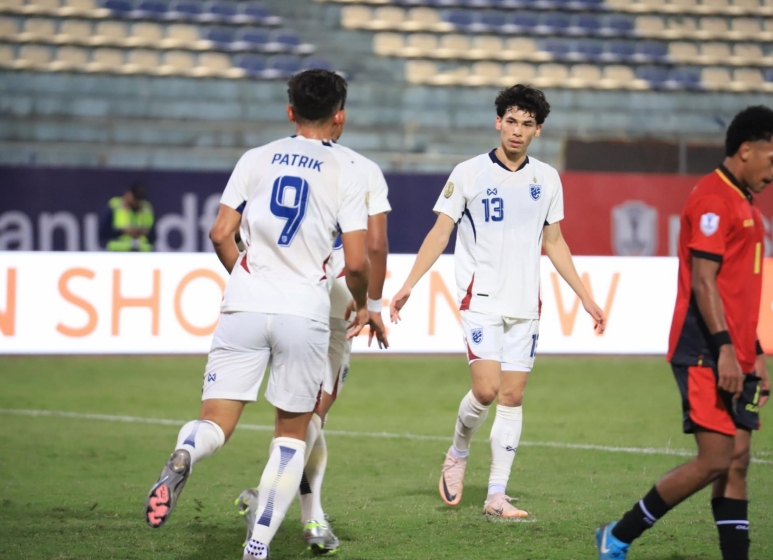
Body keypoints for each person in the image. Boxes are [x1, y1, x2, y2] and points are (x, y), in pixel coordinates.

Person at [143, 69, 381, 560]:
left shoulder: (256, 158)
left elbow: (219, 232)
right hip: (305, 311)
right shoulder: (348, 173)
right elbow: (358, 260)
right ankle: (257, 546)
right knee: (292, 435)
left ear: (290, 111)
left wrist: (246, 278)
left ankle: (187, 450)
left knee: (215, 421)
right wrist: (360, 301)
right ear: (340, 116)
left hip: (245, 303)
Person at [389, 84, 606, 519]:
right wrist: (409, 283)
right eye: (511, 121)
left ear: (538, 131)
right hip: (481, 299)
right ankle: (458, 451)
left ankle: (496, 496)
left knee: (513, 396)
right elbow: (439, 233)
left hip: (526, 303)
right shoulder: (469, 173)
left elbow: (556, 242)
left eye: (527, 124)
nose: (517, 131)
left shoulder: (546, 179)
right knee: (486, 390)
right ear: (498, 122)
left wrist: (585, 296)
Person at [595, 106, 773, 560]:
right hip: (705, 350)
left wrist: (754, 350)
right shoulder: (712, 199)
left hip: (736, 352)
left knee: (738, 462)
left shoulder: (745, 203)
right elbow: (704, 281)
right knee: (715, 460)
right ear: (746, 151)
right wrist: (725, 349)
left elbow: (736, 290)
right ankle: (618, 536)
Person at [236, 114, 392, 555]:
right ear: (339, 115)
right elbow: (375, 247)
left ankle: (308, 515)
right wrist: (372, 306)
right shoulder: (361, 168)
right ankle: (290, 513)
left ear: (293, 112)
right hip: (335, 298)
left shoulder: (270, 158)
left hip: (280, 294)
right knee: (312, 417)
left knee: (300, 419)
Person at [98, 183, 155, 251]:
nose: (137, 201)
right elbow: (103, 233)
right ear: (128, 194)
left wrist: (144, 233)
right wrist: (122, 231)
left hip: (141, 255)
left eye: (139, 198)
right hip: (119, 254)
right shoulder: (115, 207)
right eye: (135, 198)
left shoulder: (147, 209)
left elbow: (153, 236)